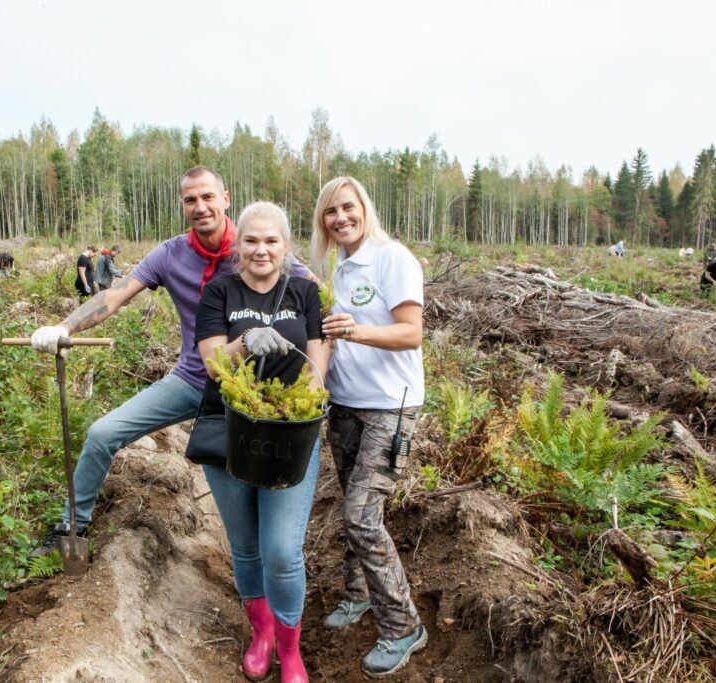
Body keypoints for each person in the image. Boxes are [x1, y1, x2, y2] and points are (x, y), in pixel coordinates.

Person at [27, 167, 312, 555]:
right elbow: (116, 294)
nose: (201, 207)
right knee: (102, 433)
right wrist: (64, 325)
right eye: (191, 200)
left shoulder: (253, 245)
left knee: (267, 493)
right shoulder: (170, 254)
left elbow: (315, 297)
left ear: (225, 198)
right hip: (195, 381)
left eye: (208, 197)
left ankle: (276, 564)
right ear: (183, 205)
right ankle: (70, 528)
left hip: (257, 393)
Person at [194, 201, 329, 683]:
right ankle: (263, 633)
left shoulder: (306, 292)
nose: (261, 250)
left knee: (281, 550)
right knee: (246, 545)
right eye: (251, 240)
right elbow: (214, 364)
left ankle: (291, 650)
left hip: (289, 437)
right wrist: (247, 339)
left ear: (285, 246)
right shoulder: (219, 291)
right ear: (238, 246)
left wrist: (288, 414)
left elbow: (317, 370)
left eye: (271, 241)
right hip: (230, 430)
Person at [311, 176, 428, 678]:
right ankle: (358, 595)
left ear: (364, 208)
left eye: (347, 207)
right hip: (345, 405)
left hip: (390, 407)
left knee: (362, 513)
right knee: (351, 504)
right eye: (330, 212)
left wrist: (356, 330)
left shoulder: (391, 258)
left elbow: (411, 332)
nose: (340, 218)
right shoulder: (334, 266)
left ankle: (403, 625)